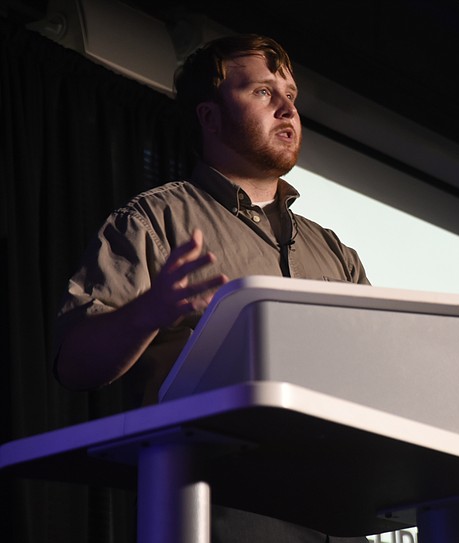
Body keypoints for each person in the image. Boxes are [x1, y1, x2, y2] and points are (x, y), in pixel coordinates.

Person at [53, 34, 370, 542]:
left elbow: (378, 371)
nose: (288, 108)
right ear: (210, 117)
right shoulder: (154, 221)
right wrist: (149, 311)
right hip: (217, 506)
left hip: (340, 508)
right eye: (264, 93)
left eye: (291, 95)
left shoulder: (332, 251)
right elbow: (74, 364)